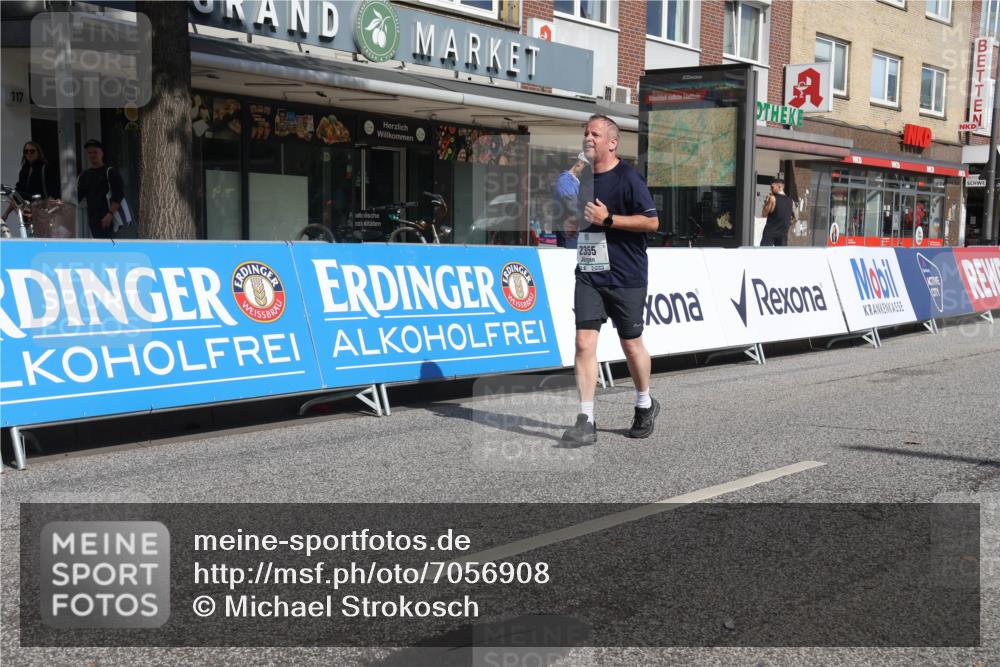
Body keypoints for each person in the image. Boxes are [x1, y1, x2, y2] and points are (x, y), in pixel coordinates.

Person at [561, 114, 661, 446]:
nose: (588, 138)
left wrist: (609, 219)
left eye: (595, 134)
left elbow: (651, 223)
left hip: (626, 275)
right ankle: (586, 419)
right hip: (589, 273)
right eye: (585, 132)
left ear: (612, 142)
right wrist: (576, 226)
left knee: (631, 344)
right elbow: (587, 220)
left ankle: (644, 403)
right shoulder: (584, 179)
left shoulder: (629, 178)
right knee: (583, 343)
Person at [1, 141, 60, 226]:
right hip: (27, 212)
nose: (29, 153)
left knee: (43, 237)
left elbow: (53, 192)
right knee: (29, 235)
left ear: (38, 153)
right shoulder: (24, 171)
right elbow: (17, 194)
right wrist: (6, 214)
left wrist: (49, 212)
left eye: (32, 151)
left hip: (43, 211)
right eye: (26, 151)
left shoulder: (46, 168)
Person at [76, 139, 126, 239]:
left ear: (102, 153)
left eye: (95, 152)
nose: (92, 155)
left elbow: (118, 195)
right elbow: (77, 197)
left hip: (111, 220)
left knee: (113, 249)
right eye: (90, 153)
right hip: (94, 221)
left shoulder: (110, 172)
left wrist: (110, 214)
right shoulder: (84, 175)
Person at [553, 152, 589, 249]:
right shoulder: (565, 180)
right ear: (580, 163)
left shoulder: (577, 181)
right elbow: (572, 206)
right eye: (588, 167)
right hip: (570, 233)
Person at [759, 178, 793, 246]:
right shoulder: (790, 201)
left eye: (772, 187)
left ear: (779, 187)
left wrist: (766, 202)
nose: (771, 189)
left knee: (763, 254)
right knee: (780, 255)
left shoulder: (772, 198)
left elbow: (764, 214)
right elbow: (794, 218)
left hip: (770, 232)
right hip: (783, 233)